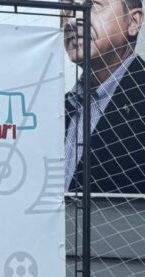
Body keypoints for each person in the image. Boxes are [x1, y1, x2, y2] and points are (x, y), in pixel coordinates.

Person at [63, 0, 145, 193]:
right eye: (69, 8)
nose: (72, 20)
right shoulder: (55, 109)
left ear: (133, 22)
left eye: (92, 4)